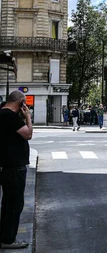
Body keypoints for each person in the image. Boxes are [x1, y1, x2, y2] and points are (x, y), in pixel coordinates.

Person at [0, 90, 33, 249]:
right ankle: (8, 239)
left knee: (7, 202)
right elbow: (28, 134)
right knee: (15, 204)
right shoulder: (11, 117)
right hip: (14, 167)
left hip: (6, 165)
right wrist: (28, 117)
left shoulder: (2, 114)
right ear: (20, 102)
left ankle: (4, 235)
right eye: (24, 102)